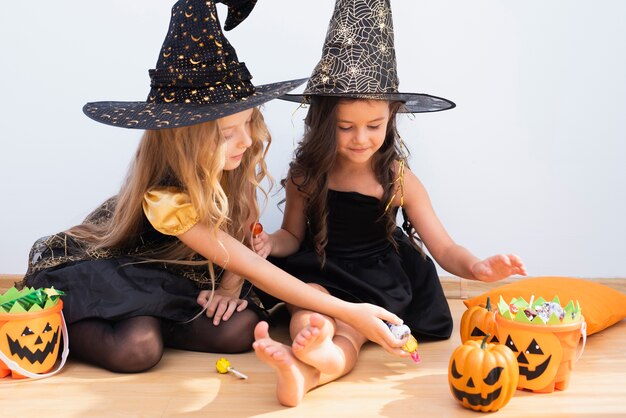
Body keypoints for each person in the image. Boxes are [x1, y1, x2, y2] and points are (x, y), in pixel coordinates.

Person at [19, 0, 407, 374]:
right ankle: (79, 318)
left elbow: (243, 235)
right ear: (185, 139)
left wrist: (229, 286)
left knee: (240, 328)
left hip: (180, 275)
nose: (246, 141)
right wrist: (351, 311)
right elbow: (252, 262)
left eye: (248, 124)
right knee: (137, 349)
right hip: (124, 267)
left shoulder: (237, 162)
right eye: (227, 133)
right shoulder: (165, 198)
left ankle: (154, 314)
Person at [250, 0, 527, 406]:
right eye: (346, 127)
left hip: (374, 280)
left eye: (373, 126)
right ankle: (306, 357)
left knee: (354, 329)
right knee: (306, 303)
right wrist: (272, 244)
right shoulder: (306, 176)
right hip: (322, 269)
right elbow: (293, 235)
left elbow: (444, 247)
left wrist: (476, 267)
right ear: (324, 123)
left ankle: (319, 360)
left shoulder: (396, 178)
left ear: (392, 118)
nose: (360, 138)